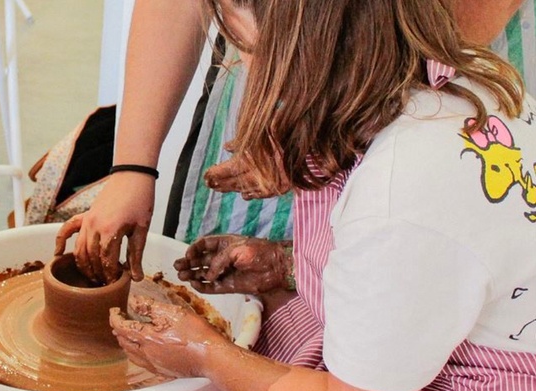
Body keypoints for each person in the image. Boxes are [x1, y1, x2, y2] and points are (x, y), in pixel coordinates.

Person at [109, 0, 536, 391]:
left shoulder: (400, 191)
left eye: (238, 43)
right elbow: (433, 274)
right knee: (271, 327)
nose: (233, 62)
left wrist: (205, 353)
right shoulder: (456, 80)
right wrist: (286, 266)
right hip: (452, 337)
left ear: (298, 48)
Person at [55, 0, 531, 285]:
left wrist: (332, 133)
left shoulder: (423, 152)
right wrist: (132, 169)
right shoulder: (266, 48)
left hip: (420, 73)